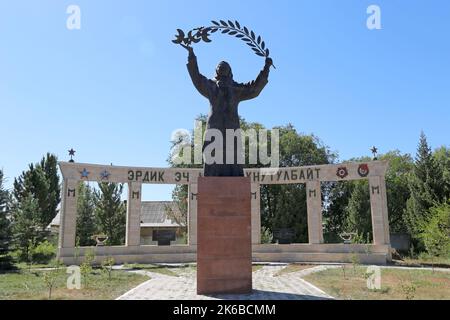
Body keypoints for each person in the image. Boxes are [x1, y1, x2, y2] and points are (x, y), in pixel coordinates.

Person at [183, 45, 272, 176]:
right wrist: (191, 56)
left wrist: (266, 69)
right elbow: (196, 77)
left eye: (224, 66)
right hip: (214, 127)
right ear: (217, 71)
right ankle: (211, 187)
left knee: (234, 161)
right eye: (219, 66)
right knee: (211, 159)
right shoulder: (211, 86)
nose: (222, 66)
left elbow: (255, 88)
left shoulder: (236, 88)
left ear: (229, 71)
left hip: (232, 128)